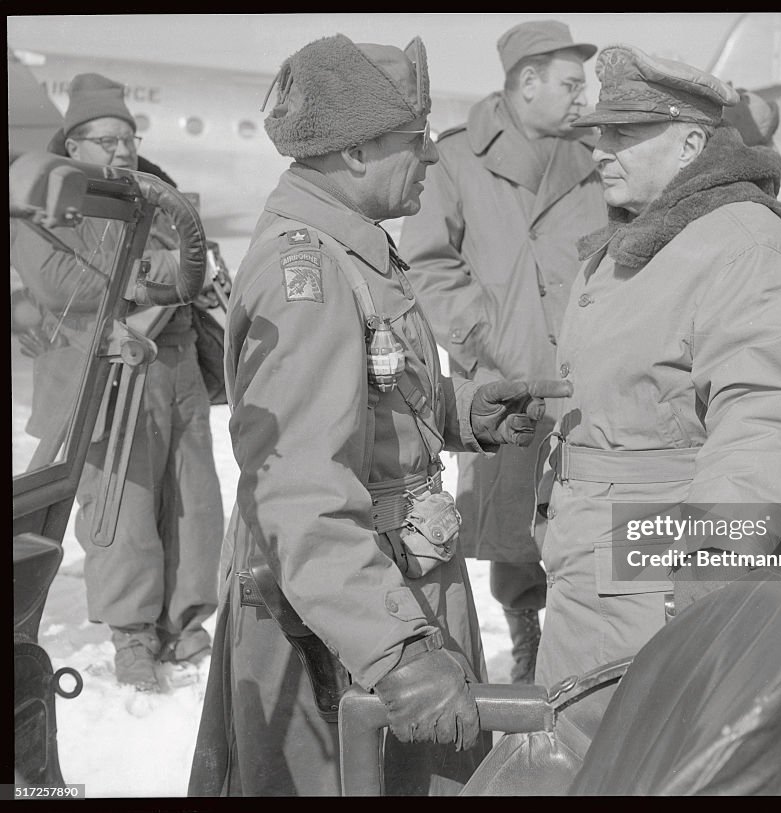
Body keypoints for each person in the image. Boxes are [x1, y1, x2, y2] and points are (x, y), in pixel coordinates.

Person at [188, 33, 570, 796]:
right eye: (412, 139)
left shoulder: (354, 250)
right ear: (356, 151)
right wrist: (397, 653)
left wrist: (461, 414)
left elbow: (367, 392)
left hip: (387, 585)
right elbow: (300, 491)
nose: (430, 156)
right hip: (345, 621)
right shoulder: (309, 275)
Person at [530, 44, 781, 754]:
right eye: (599, 132)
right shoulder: (654, 233)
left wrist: (717, 553)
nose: (600, 149)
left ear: (692, 144)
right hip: (597, 568)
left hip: (655, 573)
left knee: (635, 761)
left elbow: (764, 419)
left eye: (625, 133)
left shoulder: (742, 247)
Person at [399, 20, 606, 684]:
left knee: (587, 520)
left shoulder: (595, 157)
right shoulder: (457, 158)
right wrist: (484, 338)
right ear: (528, 83)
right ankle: (527, 641)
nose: (582, 97)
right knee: (514, 527)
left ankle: (582, 650)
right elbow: (427, 264)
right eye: (570, 84)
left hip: (588, 373)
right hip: (503, 378)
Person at [10, 73, 224, 691]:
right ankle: (132, 639)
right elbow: (56, 284)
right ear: (73, 144)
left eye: (129, 138)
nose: (123, 150)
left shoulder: (158, 193)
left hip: (176, 368)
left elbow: (198, 267)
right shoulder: (48, 200)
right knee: (120, 513)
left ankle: (186, 626)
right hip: (102, 377)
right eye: (107, 141)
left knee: (194, 507)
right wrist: (152, 272)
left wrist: (163, 273)